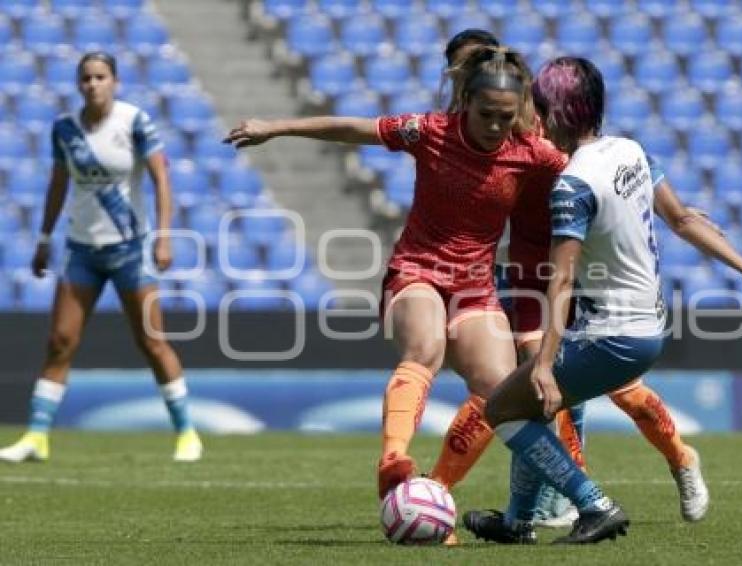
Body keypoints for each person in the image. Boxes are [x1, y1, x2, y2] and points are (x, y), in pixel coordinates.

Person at [463, 56, 742, 544]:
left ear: (556, 113)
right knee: (527, 407)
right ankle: (515, 522)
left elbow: (562, 281)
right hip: (648, 331)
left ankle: (593, 504)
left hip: (609, 337)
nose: (531, 117)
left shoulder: (572, 184)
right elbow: (682, 220)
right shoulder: (632, 151)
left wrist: (546, 364)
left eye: (536, 107)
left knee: (502, 411)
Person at [223, 46, 567, 501]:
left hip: (476, 287)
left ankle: (434, 492)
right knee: (426, 348)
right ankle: (393, 461)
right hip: (417, 271)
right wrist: (276, 128)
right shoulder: (428, 131)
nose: (496, 127)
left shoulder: (532, 153)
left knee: (497, 391)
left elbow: (590, 180)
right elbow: (352, 128)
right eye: (487, 114)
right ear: (465, 100)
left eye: (506, 117)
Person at [427, 30, 715, 529]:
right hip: (527, 274)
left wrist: (675, 209)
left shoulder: (552, 132)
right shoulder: (482, 133)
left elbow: (616, 173)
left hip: (580, 275)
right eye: (458, 69)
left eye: (472, 64)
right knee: (521, 388)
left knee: (616, 390)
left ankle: (678, 459)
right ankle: (462, 495)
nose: (464, 76)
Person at [0, 52, 203, 464]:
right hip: (81, 250)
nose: (93, 84)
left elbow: (161, 179)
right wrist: (43, 237)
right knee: (60, 342)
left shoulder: (134, 122)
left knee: (151, 342)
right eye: (86, 78)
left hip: (130, 250)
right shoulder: (64, 130)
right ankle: (37, 437)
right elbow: (57, 185)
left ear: (114, 81)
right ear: (78, 85)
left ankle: (186, 432)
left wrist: (163, 238)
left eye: (100, 76)